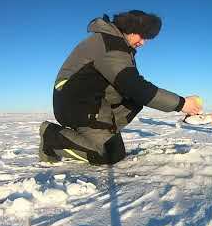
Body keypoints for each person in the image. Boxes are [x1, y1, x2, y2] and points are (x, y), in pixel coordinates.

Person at [39, 10, 202, 165]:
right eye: (142, 36)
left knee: (122, 134)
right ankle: (51, 138)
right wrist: (182, 104)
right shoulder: (111, 45)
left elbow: (134, 90)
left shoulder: (119, 46)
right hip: (74, 104)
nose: (143, 43)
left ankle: (103, 133)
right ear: (130, 28)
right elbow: (136, 87)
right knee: (107, 154)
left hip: (91, 103)